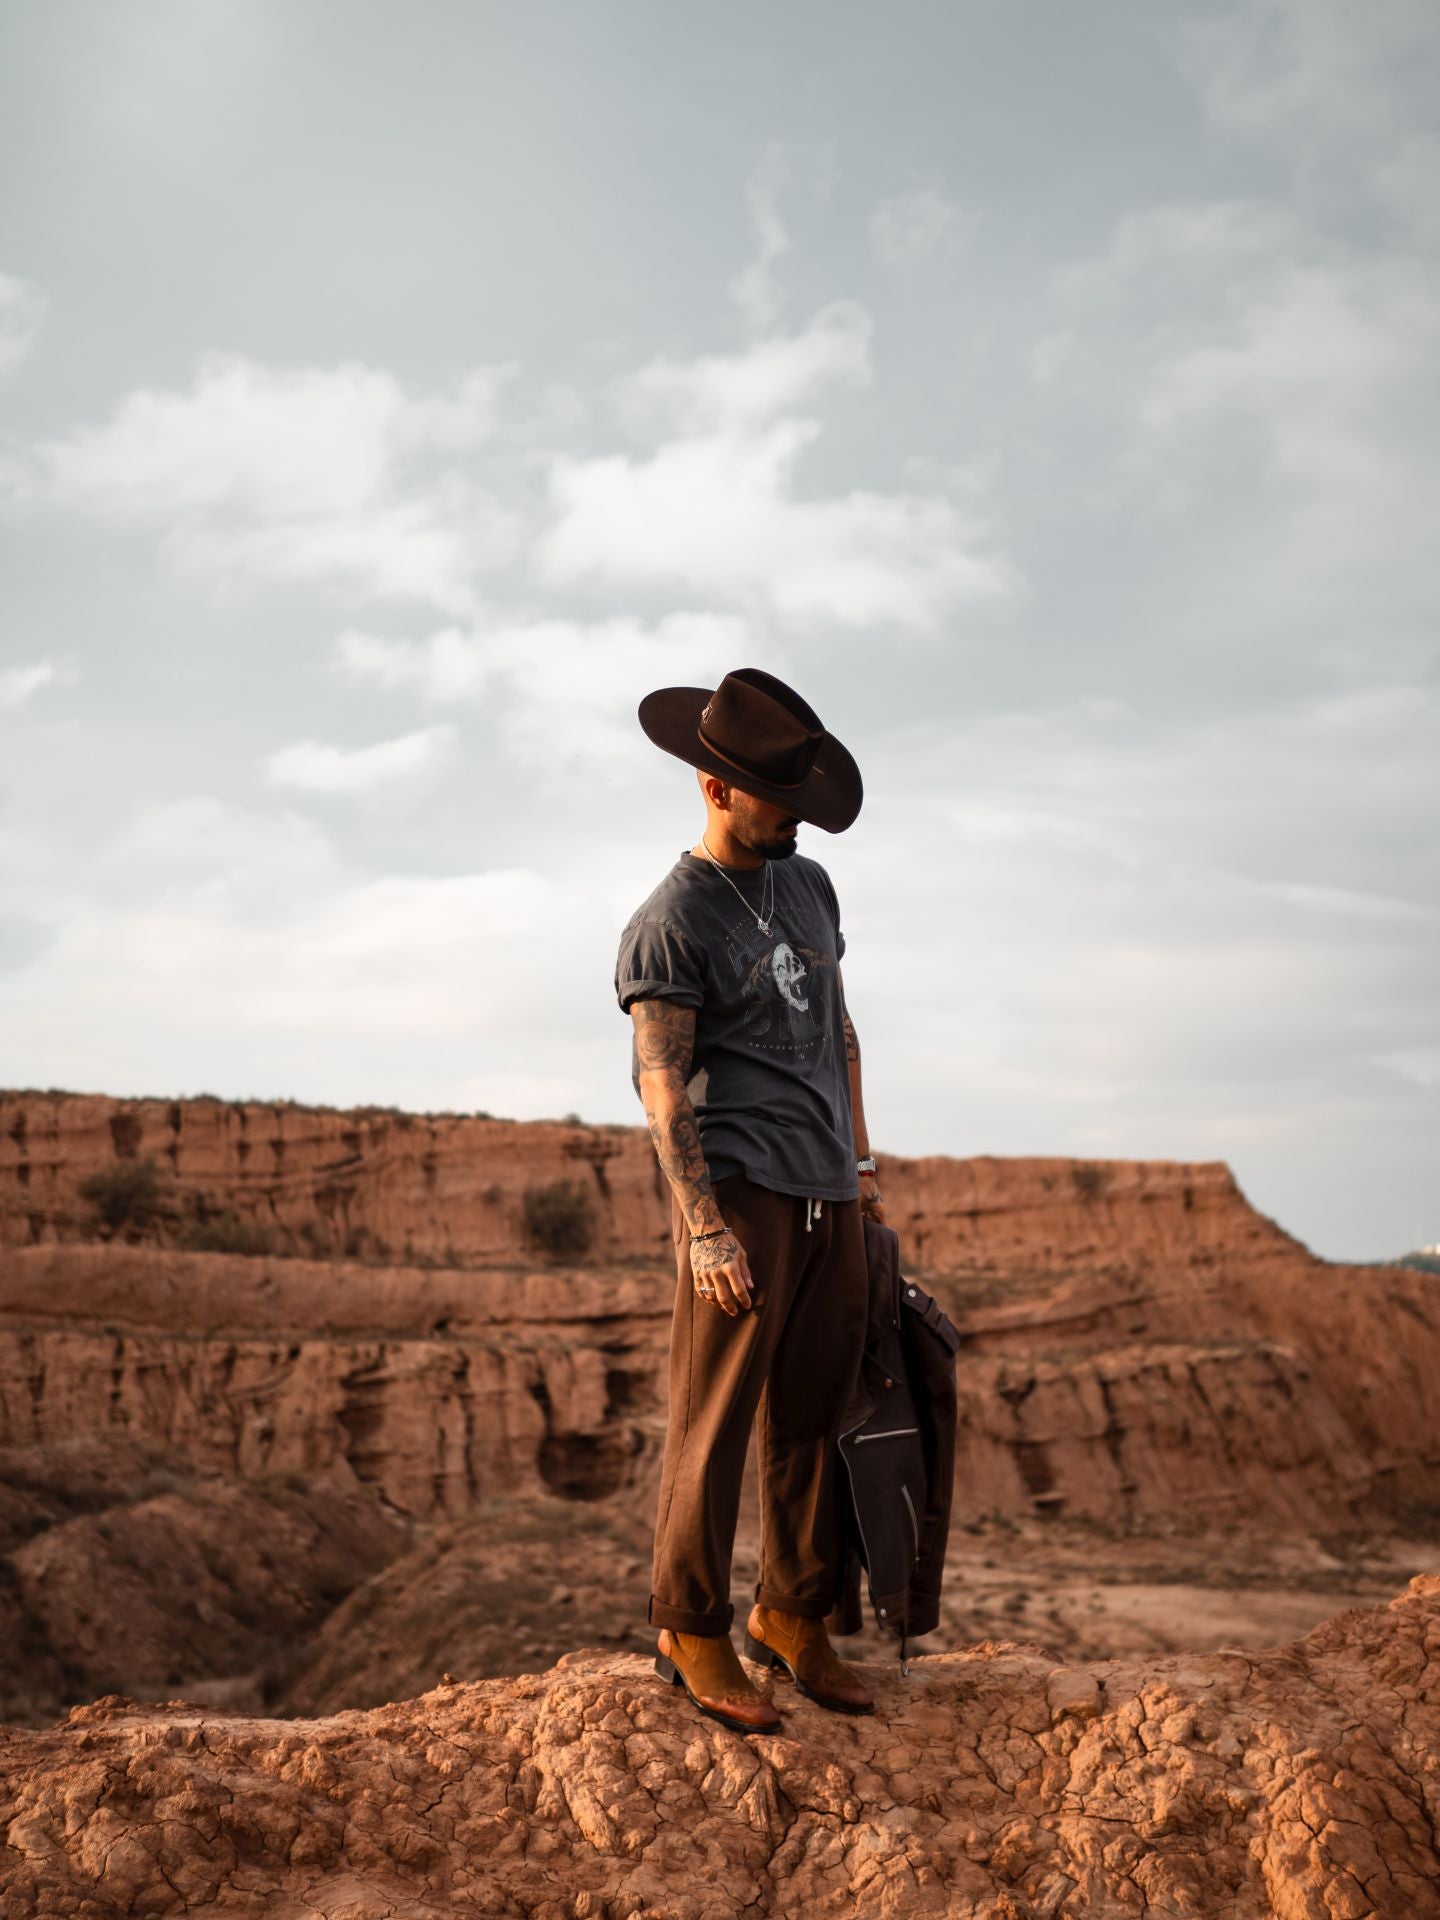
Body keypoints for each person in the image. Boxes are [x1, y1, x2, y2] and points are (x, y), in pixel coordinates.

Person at [614, 666, 885, 1734]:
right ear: (716, 788)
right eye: (782, 805)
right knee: (715, 1417)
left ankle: (792, 1615)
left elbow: (841, 1031)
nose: (796, 826)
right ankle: (689, 1626)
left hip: (827, 1189)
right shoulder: (670, 919)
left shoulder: (810, 888)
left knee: (815, 1411)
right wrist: (704, 1227)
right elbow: (661, 1082)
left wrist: (862, 1172)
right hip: (741, 1189)